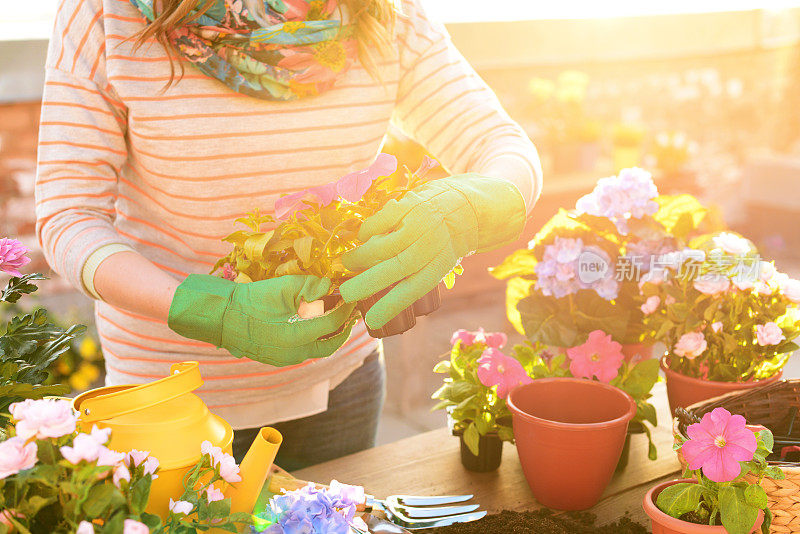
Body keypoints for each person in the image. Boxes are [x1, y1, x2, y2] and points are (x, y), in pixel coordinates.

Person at [35, 0, 541, 468]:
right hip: (169, 403)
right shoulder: (106, 13)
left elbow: (498, 143)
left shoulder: (384, 14)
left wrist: (470, 207)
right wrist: (208, 308)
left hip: (340, 383)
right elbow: (68, 214)